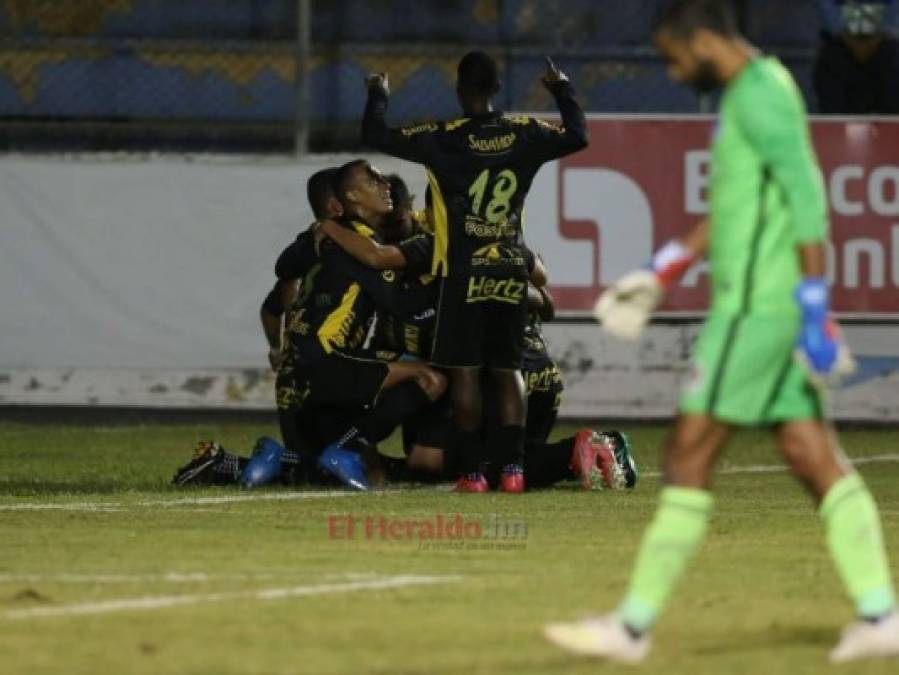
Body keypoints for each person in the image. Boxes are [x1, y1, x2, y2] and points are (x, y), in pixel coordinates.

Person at [545, 0, 898, 664]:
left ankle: (631, 625)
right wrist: (662, 267)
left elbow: (806, 199)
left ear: (703, 39)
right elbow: (732, 206)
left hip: (753, 313)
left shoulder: (761, 94)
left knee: (686, 453)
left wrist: (815, 303)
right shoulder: (751, 94)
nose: (675, 72)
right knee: (809, 453)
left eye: (676, 57)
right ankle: (881, 612)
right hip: (760, 309)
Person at [361, 51, 588, 493]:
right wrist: (561, 88)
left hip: (462, 271)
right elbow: (578, 134)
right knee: (508, 369)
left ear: (460, 89)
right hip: (506, 265)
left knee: (465, 372)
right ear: (497, 89)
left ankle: (474, 473)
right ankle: (515, 470)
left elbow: (373, 132)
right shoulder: (525, 133)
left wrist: (379, 93)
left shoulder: (442, 138)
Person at [815, 0, 899, 113]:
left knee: (892, 60)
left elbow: (894, 13)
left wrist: (877, 38)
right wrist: (850, 39)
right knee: (832, 60)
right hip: (839, 43)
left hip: (885, 44)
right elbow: (827, 9)